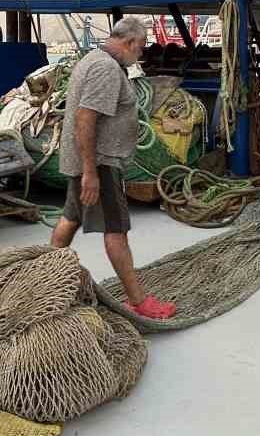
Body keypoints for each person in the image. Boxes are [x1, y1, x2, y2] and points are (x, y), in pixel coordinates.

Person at [50, 17, 177, 320]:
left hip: (85, 161)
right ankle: (139, 301)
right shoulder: (106, 69)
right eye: (141, 47)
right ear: (130, 42)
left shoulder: (93, 59)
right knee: (116, 229)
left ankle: (46, 274)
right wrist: (91, 172)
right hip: (100, 164)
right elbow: (85, 117)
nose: (141, 54)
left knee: (70, 218)